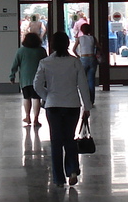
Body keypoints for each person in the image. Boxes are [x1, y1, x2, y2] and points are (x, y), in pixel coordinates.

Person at [33, 31, 93, 187]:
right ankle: (72, 169)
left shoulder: (45, 62)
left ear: (52, 45)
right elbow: (83, 86)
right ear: (67, 44)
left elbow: (37, 85)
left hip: (53, 107)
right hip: (72, 105)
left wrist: (48, 96)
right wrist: (87, 106)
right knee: (69, 139)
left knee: (56, 142)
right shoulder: (75, 62)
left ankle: (58, 178)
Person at [10, 32, 47, 129]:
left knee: (26, 98)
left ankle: (27, 117)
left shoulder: (21, 51)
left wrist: (12, 76)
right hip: (38, 79)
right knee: (36, 98)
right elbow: (47, 64)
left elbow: (15, 64)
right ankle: (36, 119)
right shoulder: (41, 51)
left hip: (25, 79)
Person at [75, 21, 99, 103]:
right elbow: (99, 47)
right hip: (92, 58)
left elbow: (73, 49)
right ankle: (91, 100)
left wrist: (78, 57)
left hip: (84, 58)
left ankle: (85, 99)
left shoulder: (80, 39)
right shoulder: (93, 38)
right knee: (91, 80)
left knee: (83, 80)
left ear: (82, 30)